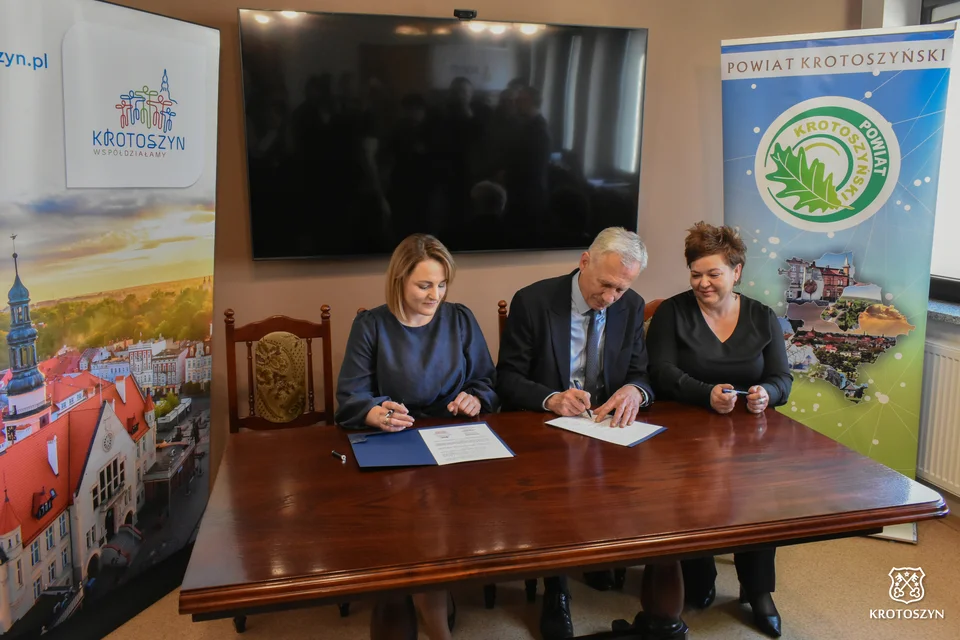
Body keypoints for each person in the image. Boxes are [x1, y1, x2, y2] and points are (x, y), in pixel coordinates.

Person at [497, 227, 685, 640]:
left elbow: (641, 374)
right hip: (546, 428)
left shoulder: (630, 306)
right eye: (605, 284)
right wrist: (551, 398)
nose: (611, 297)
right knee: (556, 495)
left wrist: (635, 391)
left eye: (621, 288)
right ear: (585, 262)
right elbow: (506, 378)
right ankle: (556, 589)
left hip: (605, 426)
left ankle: (602, 557)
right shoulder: (534, 301)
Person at [336, 233, 499, 640]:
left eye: (442, 284)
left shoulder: (459, 319)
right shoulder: (371, 325)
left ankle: (431, 604)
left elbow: (487, 381)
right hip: (396, 441)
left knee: (444, 524)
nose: (435, 295)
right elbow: (350, 397)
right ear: (399, 281)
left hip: (453, 440)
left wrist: (476, 398)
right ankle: (431, 616)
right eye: (424, 285)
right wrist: (374, 412)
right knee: (417, 531)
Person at [646, 222, 792, 639]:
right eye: (696, 274)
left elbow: (782, 379)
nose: (703, 283)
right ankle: (700, 570)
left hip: (748, 436)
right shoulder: (672, 312)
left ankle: (758, 590)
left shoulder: (762, 317)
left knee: (758, 498)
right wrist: (705, 394)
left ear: (737, 271)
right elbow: (661, 372)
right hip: (684, 432)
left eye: (714, 273)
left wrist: (766, 393)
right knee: (695, 494)